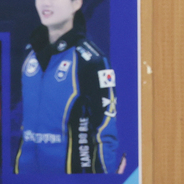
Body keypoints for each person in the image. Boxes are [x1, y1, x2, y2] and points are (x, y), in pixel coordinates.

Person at [14, 0, 120, 174]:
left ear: (76, 4)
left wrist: (104, 181)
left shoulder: (92, 60)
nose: (45, 3)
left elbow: (105, 130)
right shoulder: (29, 55)